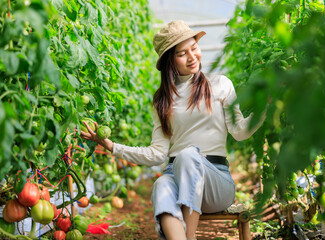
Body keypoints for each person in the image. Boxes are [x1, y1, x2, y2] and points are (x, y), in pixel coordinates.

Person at [81, 20, 266, 240]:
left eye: (194, 48)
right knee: (160, 185)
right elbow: (157, 154)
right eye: (182, 53)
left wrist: (267, 105)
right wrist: (111, 146)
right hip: (175, 175)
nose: (192, 57)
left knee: (188, 155)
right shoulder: (162, 100)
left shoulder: (220, 84)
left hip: (216, 182)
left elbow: (240, 131)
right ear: (170, 60)